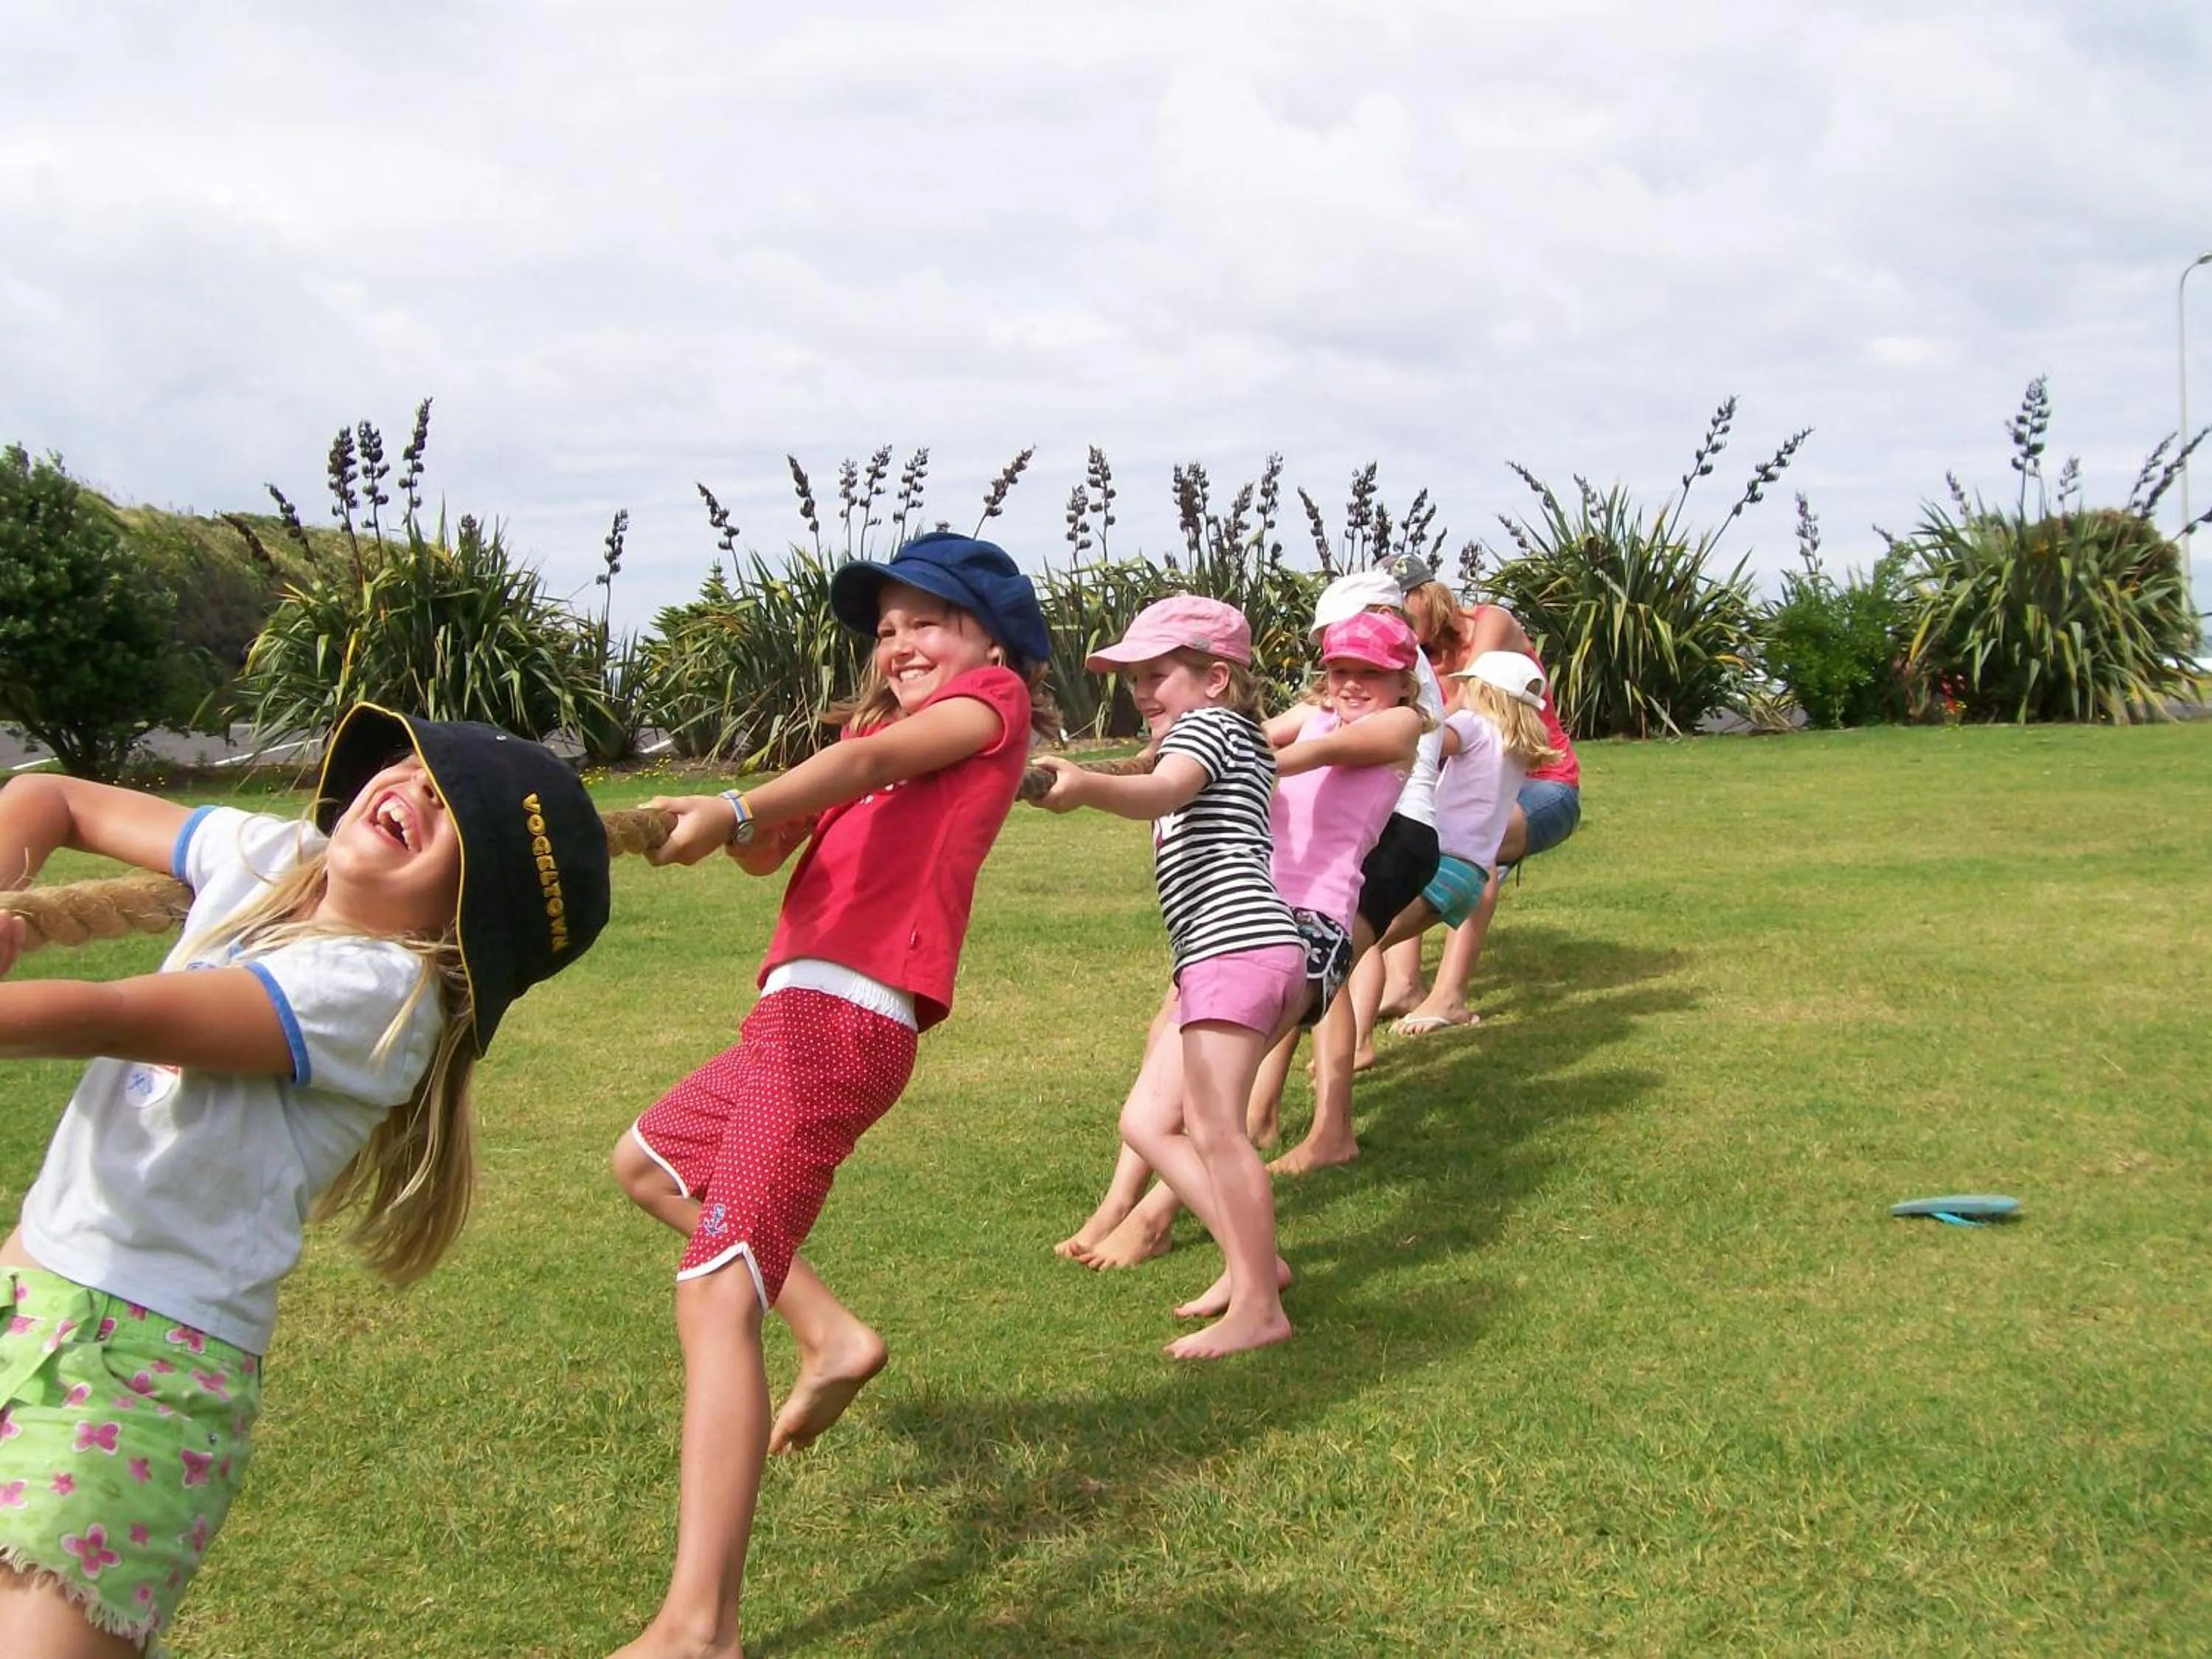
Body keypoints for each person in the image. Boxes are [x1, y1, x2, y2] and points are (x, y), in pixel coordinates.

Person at [0, 703, 610, 1658]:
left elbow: (117, 1013)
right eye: (413, 762)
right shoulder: (277, 859)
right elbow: (51, 794)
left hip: (139, 1383)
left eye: (459, 809)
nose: (414, 786)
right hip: (26, 1292)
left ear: (472, 912)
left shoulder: (378, 996)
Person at [611, 532, 1053, 1659]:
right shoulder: (868, 736)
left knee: (714, 1297)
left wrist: (744, 804)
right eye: (888, 627)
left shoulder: (990, 704)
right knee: (651, 1162)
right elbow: (777, 843)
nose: (901, 641)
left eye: (929, 620)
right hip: (791, 1013)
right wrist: (711, 821)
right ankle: (834, 1331)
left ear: (989, 637)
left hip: (847, 1017)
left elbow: (849, 776)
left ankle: (697, 1630)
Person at [1054, 609, 1425, 1272]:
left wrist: (1224, 754)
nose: (1350, 684)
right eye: (1339, 669)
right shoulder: (1309, 716)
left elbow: (1285, 751)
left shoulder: (1403, 724)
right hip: (1250, 914)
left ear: (1405, 680)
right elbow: (1243, 737)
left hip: (1308, 923)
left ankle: (1178, 1231)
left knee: (1215, 1106)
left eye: (1371, 672)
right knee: (1169, 1063)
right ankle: (1135, 1210)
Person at [1031, 596, 1310, 1360]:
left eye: (1159, 674)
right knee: (1147, 1124)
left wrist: (1085, 787)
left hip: (1235, 949)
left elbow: (1163, 792)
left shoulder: (1207, 729)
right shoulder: (1235, 735)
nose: (1143, 692)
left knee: (1219, 1130)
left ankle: (1258, 1306)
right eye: (1134, 679)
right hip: (1221, 960)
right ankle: (1256, 1264)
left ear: (1217, 677)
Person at [1375, 554, 1582, 1037]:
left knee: (1473, 846)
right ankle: (1403, 985)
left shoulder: (1492, 625)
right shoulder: (1419, 656)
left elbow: (1465, 704)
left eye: (1401, 613)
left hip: (1546, 785)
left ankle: (1450, 997)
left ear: (1424, 597)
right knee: (1414, 838)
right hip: (1471, 789)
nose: (1398, 628)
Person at [1368, 650, 1564, 973]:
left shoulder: (1473, 724)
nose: (1459, 696)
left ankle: (1356, 1024)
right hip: (1471, 878)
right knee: (1379, 942)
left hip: (1440, 862)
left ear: (1484, 692)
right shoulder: (1513, 747)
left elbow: (1429, 741)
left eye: (1466, 688)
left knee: (1365, 941)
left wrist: (1395, 717)